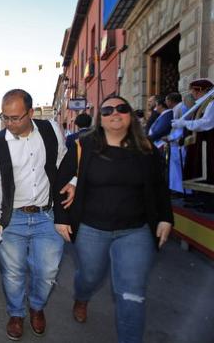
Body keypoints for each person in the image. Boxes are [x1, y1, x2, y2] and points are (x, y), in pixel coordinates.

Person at [54, 95, 173, 343]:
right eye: (107, 110)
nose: (115, 113)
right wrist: (61, 217)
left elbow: (159, 186)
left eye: (121, 108)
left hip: (136, 231)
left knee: (131, 294)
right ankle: (82, 296)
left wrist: (165, 217)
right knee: (89, 276)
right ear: (100, 119)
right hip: (91, 228)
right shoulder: (83, 145)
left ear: (130, 114)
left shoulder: (146, 148)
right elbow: (62, 181)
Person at [0, 89, 72, 340]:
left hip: (48, 215)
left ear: (31, 113)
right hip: (13, 218)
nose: (9, 124)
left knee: (48, 271)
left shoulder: (51, 129)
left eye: (16, 118)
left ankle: (37, 306)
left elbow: (64, 161)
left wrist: (72, 180)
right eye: (4, 117)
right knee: (12, 272)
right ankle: (16, 313)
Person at [172, 78, 214, 211]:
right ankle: (201, 199)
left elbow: (206, 123)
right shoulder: (204, 102)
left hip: (209, 144)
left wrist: (183, 123)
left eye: (194, 91)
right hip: (201, 143)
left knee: (208, 172)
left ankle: (210, 204)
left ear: (201, 90)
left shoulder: (212, 103)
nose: (193, 95)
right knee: (199, 171)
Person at [165, 92, 188, 194]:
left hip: (178, 143)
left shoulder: (180, 108)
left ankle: (180, 190)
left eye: (166, 100)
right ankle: (177, 189)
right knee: (176, 167)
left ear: (170, 101)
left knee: (179, 167)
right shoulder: (178, 108)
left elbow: (180, 128)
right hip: (175, 143)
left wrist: (170, 137)